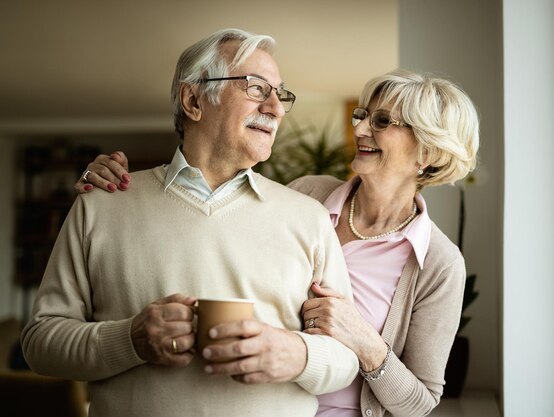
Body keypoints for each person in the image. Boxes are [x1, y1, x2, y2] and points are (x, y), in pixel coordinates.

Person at [75, 70, 480, 416]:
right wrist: (132, 190)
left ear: (426, 150)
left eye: (382, 121)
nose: (358, 129)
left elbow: (421, 402)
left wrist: (365, 341)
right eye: (362, 116)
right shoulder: (307, 196)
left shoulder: (439, 264)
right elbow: (219, 215)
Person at [20, 28, 359, 417]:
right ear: (193, 99)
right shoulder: (102, 206)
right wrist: (130, 340)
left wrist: (297, 354)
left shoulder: (309, 218)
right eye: (255, 88)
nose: (276, 108)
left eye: (279, 94)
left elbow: (346, 358)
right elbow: (40, 344)